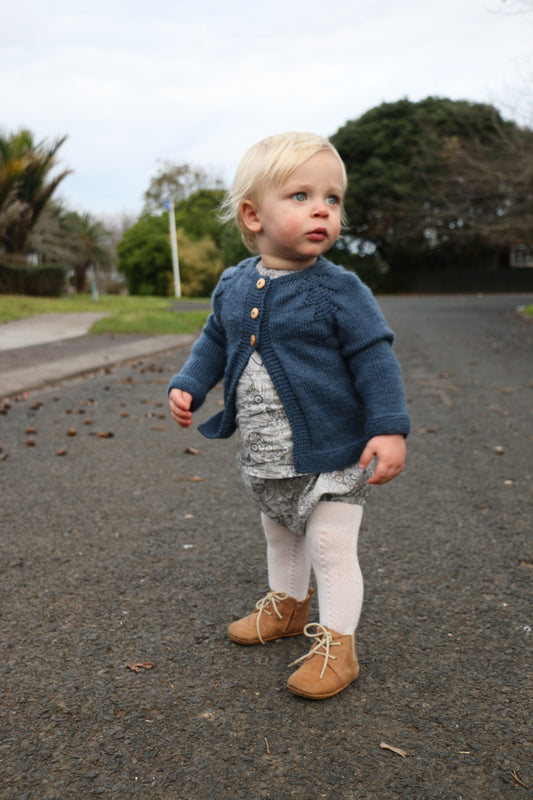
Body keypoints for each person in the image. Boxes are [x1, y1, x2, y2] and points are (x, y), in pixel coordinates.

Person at [168, 132, 410, 700]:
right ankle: (287, 606)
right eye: (301, 196)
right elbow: (213, 340)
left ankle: (338, 644)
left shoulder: (340, 290)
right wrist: (189, 383)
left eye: (333, 198)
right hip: (268, 456)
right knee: (280, 535)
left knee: (329, 546)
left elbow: (375, 358)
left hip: (335, 452)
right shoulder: (232, 284)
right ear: (253, 215)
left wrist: (388, 427)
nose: (323, 208)